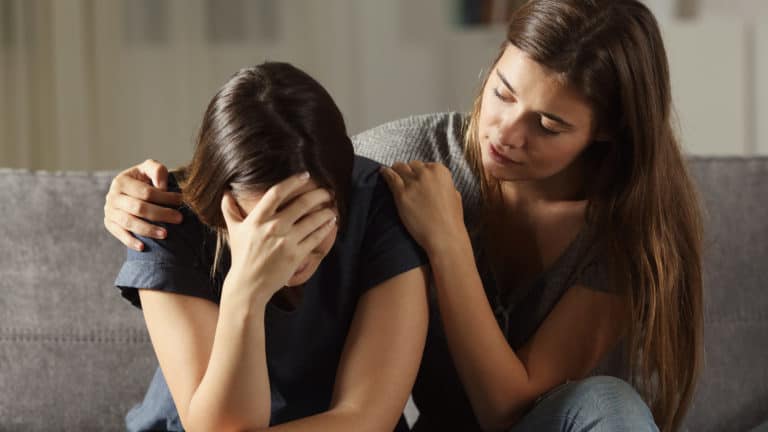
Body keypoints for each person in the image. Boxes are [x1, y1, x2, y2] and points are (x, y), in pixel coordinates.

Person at [104, 1, 703, 431]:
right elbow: (285, 157)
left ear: (607, 133)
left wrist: (446, 242)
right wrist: (134, 194)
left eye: (549, 125)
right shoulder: (400, 161)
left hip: (539, 422)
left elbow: (506, 410)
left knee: (611, 401)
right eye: (502, 92)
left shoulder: (633, 232)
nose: (505, 134)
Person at [110, 62, 429, 431]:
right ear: (221, 203)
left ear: (340, 196)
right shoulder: (164, 219)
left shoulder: (377, 204)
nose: (288, 251)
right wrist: (246, 290)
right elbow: (223, 428)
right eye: (262, 226)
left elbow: (366, 418)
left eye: (309, 223)